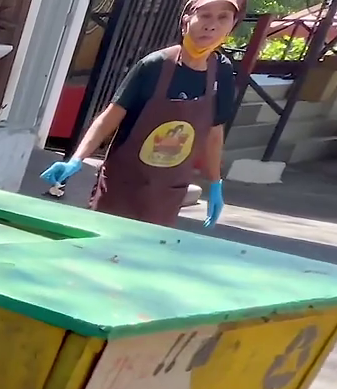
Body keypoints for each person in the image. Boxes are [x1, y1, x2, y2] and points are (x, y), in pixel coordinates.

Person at [41, 0, 240, 228]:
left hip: (166, 194)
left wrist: (215, 183)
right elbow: (110, 117)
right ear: (186, 21)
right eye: (205, 15)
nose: (212, 25)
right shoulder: (155, 65)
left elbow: (214, 133)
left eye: (223, 17)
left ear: (231, 27)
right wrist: (76, 160)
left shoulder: (222, 72)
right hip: (122, 186)